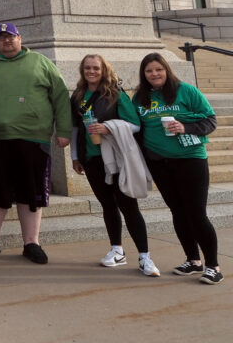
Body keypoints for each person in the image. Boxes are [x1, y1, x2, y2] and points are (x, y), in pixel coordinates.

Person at [0, 23, 71, 264]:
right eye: (2, 38)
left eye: (11, 37)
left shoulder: (40, 62)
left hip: (33, 138)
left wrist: (64, 130)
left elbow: (60, 95)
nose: (7, 41)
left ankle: (31, 242)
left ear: (20, 38)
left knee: (31, 192)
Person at [133, 52, 221, 284]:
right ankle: (193, 260)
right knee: (177, 212)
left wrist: (186, 127)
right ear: (144, 74)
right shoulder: (141, 97)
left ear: (166, 70)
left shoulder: (186, 91)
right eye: (149, 70)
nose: (154, 74)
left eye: (158, 69)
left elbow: (211, 120)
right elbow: (136, 127)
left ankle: (213, 266)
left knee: (196, 214)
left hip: (190, 159)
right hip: (160, 163)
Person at [70, 54, 158, 276]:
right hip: (91, 158)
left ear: (103, 70)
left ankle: (145, 256)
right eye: (87, 68)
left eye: (96, 68)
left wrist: (109, 127)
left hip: (116, 159)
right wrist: (75, 156)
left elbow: (135, 125)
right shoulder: (78, 95)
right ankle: (116, 250)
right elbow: (75, 129)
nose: (91, 71)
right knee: (107, 205)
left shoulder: (115, 94)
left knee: (128, 206)